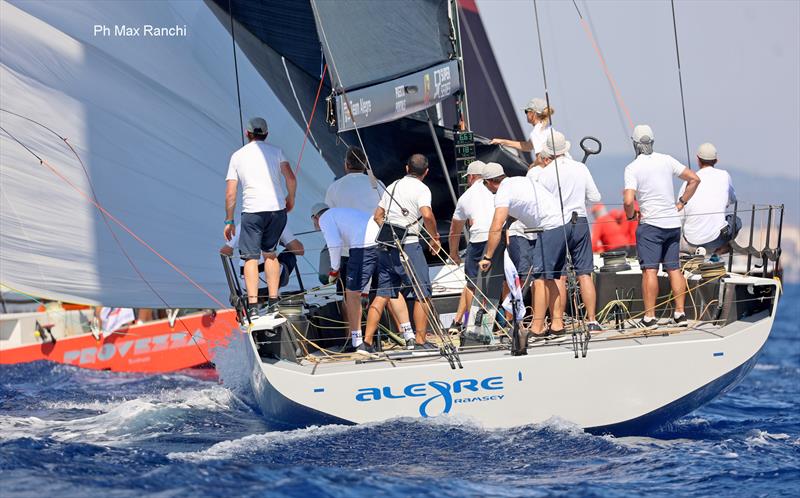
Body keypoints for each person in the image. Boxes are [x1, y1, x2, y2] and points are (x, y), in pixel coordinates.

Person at [623, 124, 701, 329]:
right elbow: (694, 179)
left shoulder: (632, 168)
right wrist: (682, 202)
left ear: (635, 144)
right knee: (674, 269)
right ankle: (680, 314)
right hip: (673, 224)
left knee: (650, 271)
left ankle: (650, 317)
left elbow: (629, 200)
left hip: (651, 225)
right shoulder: (667, 160)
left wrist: (631, 216)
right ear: (652, 142)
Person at [364, 154, 441, 352]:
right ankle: (421, 341)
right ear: (426, 172)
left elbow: (377, 216)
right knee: (422, 292)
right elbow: (426, 214)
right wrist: (434, 237)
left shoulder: (393, 186)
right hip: (410, 245)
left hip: (387, 246)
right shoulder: (422, 189)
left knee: (384, 293)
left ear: (407, 168)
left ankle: (367, 343)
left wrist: (391, 229)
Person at [311, 204, 413, 354]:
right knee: (389, 291)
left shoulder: (325, 218)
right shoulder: (345, 211)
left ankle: (357, 342)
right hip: (383, 243)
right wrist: (366, 290)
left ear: (315, 218)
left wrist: (334, 270)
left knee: (352, 293)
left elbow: (334, 244)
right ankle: (409, 336)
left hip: (362, 247)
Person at [477, 163, 565, 337]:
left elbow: (496, 225)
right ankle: (557, 324)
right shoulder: (519, 181)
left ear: (489, 182)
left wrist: (487, 256)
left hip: (548, 227)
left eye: (484, 184)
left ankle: (537, 328)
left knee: (539, 279)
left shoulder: (502, 192)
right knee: (551, 278)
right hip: (560, 224)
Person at [224, 117, 297, 319]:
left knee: (249, 258)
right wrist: (290, 199)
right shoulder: (277, 152)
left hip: (253, 211)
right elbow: (291, 178)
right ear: (266, 134)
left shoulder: (237, 156)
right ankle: (274, 302)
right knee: (270, 254)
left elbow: (231, 193)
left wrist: (229, 220)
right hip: (277, 210)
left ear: (248, 134)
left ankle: (254, 306)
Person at [537, 131, 603, 332]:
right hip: (580, 221)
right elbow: (595, 197)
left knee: (558, 275)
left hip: (556, 223)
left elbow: (539, 204)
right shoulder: (580, 168)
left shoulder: (544, 173)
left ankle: (558, 321)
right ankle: (592, 320)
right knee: (585, 273)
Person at [447, 160, 493, 332]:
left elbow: (454, 230)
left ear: (472, 177)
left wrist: (453, 253)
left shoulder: (466, 196)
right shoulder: (496, 189)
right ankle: (460, 322)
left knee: (472, 284)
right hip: (499, 237)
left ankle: (470, 325)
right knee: (499, 281)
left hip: (479, 239)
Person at [679, 143, 738, 254]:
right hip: (714, 241)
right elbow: (733, 199)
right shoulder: (724, 176)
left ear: (698, 160)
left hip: (690, 241)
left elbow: (680, 213)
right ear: (716, 161)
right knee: (736, 221)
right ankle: (719, 252)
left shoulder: (687, 182)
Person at [219, 223, 304, 296]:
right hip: (267, 283)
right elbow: (299, 250)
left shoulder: (242, 224)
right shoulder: (278, 220)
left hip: (246, 285)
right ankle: (271, 298)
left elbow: (224, 251)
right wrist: (282, 242)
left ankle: (257, 301)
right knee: (289, 255)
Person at [324, 146, 385, 213]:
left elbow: (328, 215)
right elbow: (386, 205)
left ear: (347, 164)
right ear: (365, 164)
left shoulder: (334, 187)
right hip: (373, 222)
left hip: (347, 223)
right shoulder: (377, 183)